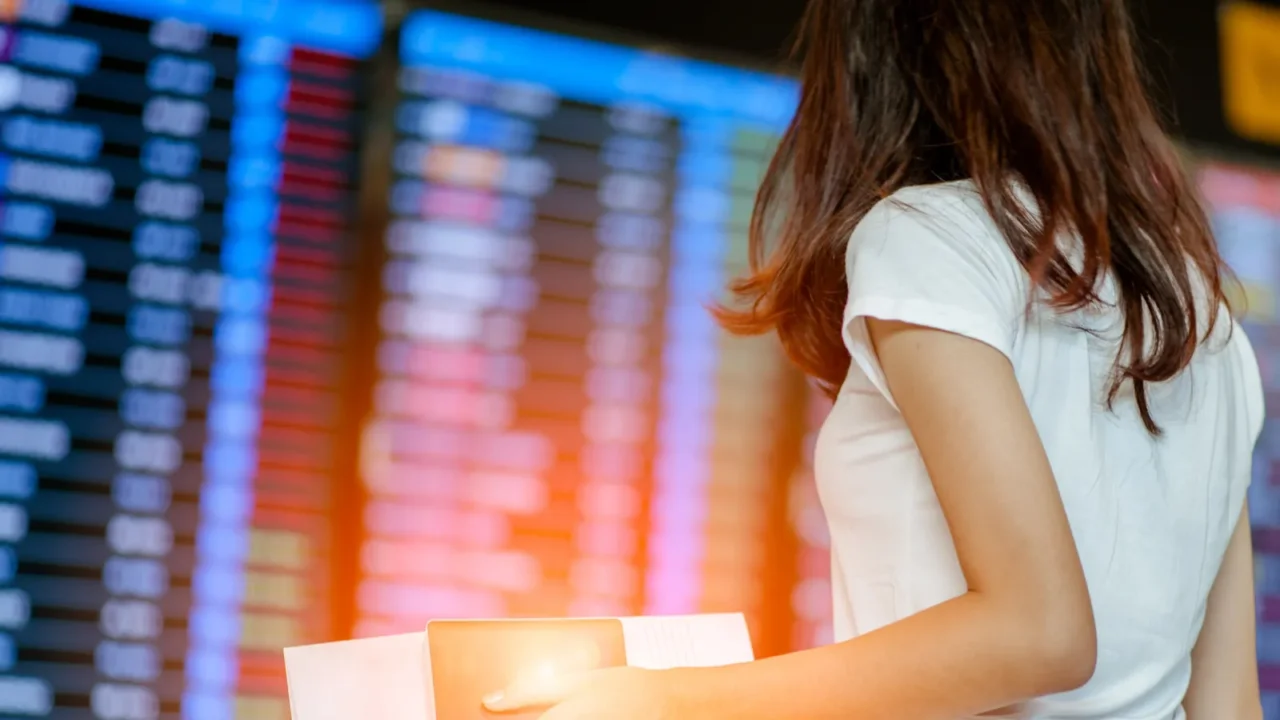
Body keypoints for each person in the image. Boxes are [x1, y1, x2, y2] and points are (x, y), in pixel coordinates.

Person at [482, 0, 1266, 717]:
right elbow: (1227, 705)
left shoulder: (927, 235)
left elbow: (1042, 632)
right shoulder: (1203, 319)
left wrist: (657, 703)